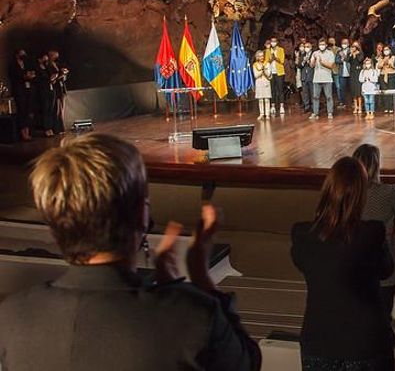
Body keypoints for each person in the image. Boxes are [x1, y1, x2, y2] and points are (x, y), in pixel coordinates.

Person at [0, 133, 261, 370]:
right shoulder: (192, 316)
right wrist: (200, 277)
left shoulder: (12, 315)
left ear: (55, 225)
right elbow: (246, 364)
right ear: (140, 215)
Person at [291, 157, 394, 370]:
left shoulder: (302, 234)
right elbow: (387, 270)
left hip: (319, 342)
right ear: (360, 194)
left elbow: (306, 263)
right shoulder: (372, 232)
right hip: (365, 343)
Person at [354, 144, 395, 319]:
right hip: (385, 256)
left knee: (361, 309)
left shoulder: (349, 193)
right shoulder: (389, 191)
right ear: (376, 165)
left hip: (356, 257)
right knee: (384, 308)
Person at [9, 48, 35, 141]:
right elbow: (14, 76)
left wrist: (30, 75)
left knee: (28, 111)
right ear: (17, 55)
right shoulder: (13, 65)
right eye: (22, 53)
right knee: (22, 111)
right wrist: (24, 76)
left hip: (27, 89)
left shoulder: (25, 64)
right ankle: (23, 133)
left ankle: (27, 132)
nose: (24, 55)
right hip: (19, 91)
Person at [309, 39, 336, 120]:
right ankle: (315, 113)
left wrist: (321, 62)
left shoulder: (330, 53)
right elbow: (311, 65)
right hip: (316, 79)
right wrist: (313, 60)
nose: (321, 46)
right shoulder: (315, 53)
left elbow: (331, 65)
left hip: (327, 79)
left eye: (323, 44)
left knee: (328, 97)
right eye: (320, 44)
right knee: (315, 97)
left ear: (326, 45)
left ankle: (330, 113)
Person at [35, 53, 56, 137]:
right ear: (40, 59)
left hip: (50, 89)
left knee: (50, 110)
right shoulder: (37, 69)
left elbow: (51, 76)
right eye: (44, 58)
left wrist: (53, 78)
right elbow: (39, 81)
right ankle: (46, 129)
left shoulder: (47, 68)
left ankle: (50, 128)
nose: (46, 60)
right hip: (43, 91)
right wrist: (48, 79)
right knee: (45, 110)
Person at [265, 37, 286, 116]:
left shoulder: (281, 50)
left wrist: (275, 58)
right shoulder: (268, 51)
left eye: (274, 41)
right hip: (271, 72)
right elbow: (266, 61)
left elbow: (282, 61)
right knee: (272, 90)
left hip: (279, 72)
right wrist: (271, 59)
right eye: (271, 41)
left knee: (280, 89)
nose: (273, 43)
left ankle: (281, 106)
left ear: (277, 42)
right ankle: (273, 106)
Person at [376, 44, 395, 114]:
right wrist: (383, 62)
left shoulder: (393, 57)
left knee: (390, 91)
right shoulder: (381, 57)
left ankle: (391, 107)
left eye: (387, 50)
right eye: (385, 50)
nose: (386, 51)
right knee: (385, 92)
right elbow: (378, 66)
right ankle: (386, 107)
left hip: (391, 75)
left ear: (390, 50)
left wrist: (389, 63)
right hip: (383, 75)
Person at [253, 50, 272, 119]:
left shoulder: (267, 64)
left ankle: (267, 114)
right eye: (260, 56)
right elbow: (256, 75)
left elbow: (269, 74)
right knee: (260, 99)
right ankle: (261, 113)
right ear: (257, 57)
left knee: (266, 99)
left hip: (266, 81)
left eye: (262, 56)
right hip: (259, 82)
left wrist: (265, 71)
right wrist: (261, 71)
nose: (262, 57)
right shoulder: (255, 65)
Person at [349, 40, 366, 115]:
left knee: (358, 91)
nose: (354, 47)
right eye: (353, 46)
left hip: (358, 73)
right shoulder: (350, 54)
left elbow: (360, 60)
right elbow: (347, 60)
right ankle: (355, 106)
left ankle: (360, 107)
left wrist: (356, 54)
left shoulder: (361, 53)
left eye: (356, 46)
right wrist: (351, 54)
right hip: (352, 73)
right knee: (353, 91)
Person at [336, 38, 353, 110]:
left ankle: (353, 102)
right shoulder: (339, 51)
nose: (344, 44)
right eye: (343, 43)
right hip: (342, 73)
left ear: (348, 44)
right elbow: (336, 60)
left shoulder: (351, 50)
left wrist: (344, 57)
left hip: (350, 72)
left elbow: (352, 60)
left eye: (345, 43)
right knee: (342, 89)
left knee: (352, 88)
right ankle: (342, 103)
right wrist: (341, 60)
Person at [299, 40, 314, 114]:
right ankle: (306, 106)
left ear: (311, 48)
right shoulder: (302, 55)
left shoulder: (314, 54)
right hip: (304, 76)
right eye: (305, 47)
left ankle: (314, 107)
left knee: (312, 92)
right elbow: (299, 65)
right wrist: (303, 62)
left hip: (311, 76)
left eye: (308, 47)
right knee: (305, 93)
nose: (306, 48)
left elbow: (314, 65)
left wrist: (309, 62)